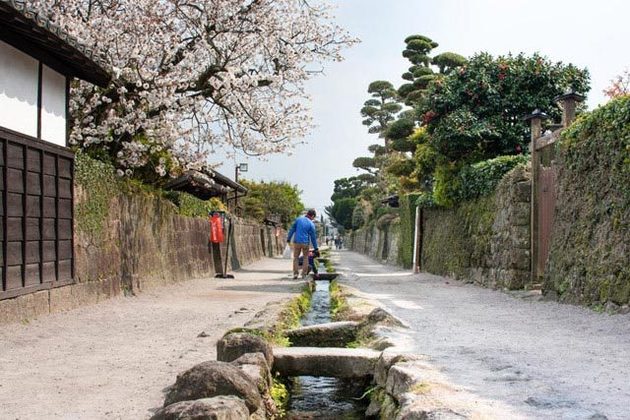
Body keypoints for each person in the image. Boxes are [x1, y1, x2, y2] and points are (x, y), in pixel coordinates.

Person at [287, 209, 319, 279]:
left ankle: (295, 274)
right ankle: (303, 274)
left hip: (297, 242)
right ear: (312, 216)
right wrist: (316, 248)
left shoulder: (298, 220)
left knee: (296, 258)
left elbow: (292, 229)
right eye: (314, 217)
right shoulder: (311, 224)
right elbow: (313, 238)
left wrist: (288, 239)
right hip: (305, 243)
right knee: (305, 258)